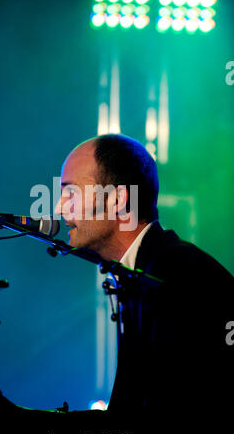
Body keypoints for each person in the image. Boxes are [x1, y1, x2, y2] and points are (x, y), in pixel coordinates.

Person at [54, 133, 233, 412]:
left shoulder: (178, 278)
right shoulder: (142, 271)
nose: (58, 208)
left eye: (70, 193)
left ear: (118, 200)